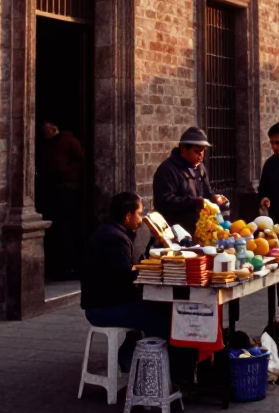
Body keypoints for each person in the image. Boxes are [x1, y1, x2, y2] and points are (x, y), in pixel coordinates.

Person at [81, 191, 194, 379]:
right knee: (156, 314)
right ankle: (165, 372)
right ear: (127, 215)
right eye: (139, 213)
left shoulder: (114, 232)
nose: (141, 219)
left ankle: (129, 358)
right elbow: (126, 277)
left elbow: (127, 269)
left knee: (152, 308)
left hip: (109, 300)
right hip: (102, 307)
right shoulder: (114, 238)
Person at [152, 127, 227, 235]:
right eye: (197, 151)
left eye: (203, 151)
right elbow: (165, 202)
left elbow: (206, 193)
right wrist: (195, 202)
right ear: (183, 150)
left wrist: (214, 198)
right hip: (176, 231)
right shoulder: (167, 170)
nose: (201, 155)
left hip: (200, 229)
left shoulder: (200, 167)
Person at [36, 119, 85, 278]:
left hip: (67, 188)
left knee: (67, 226)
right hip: (51, 188)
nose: (45, 132)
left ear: (52, 127)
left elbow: (80, 159)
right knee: (55, 227)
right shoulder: (45, 145)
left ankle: (72, 265)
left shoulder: (68, 140)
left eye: (46, 129)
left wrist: (66, 172)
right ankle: (59, 266)